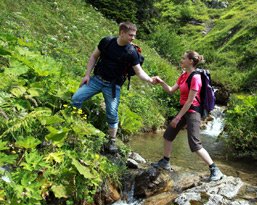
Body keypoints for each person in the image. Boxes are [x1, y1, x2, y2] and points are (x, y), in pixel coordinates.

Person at [71, 22, 156, 154]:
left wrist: (150, 79)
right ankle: (74, 123)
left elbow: (139, 71)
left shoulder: (131, 52)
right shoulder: (107, 42)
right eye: (130, 35)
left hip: (112, 86)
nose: (133, 38)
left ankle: (112, 140)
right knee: (76, 98)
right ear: (121, 32)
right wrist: (87, 75)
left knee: (112, 113)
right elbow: (94, 56)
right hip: (96, 80)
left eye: (134, 35)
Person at [152, 51, 224, 181]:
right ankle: (165, 162)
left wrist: (178, 117)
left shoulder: (195, 78)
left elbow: (190, 101)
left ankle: (215, 169)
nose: (181, 60)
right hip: (184, 110)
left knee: (195, 144)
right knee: (168, 135)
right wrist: (161, 82)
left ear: (190, 61)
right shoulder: (183, 76)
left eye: (183, 58)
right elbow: (170, 90)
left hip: (192, 112)